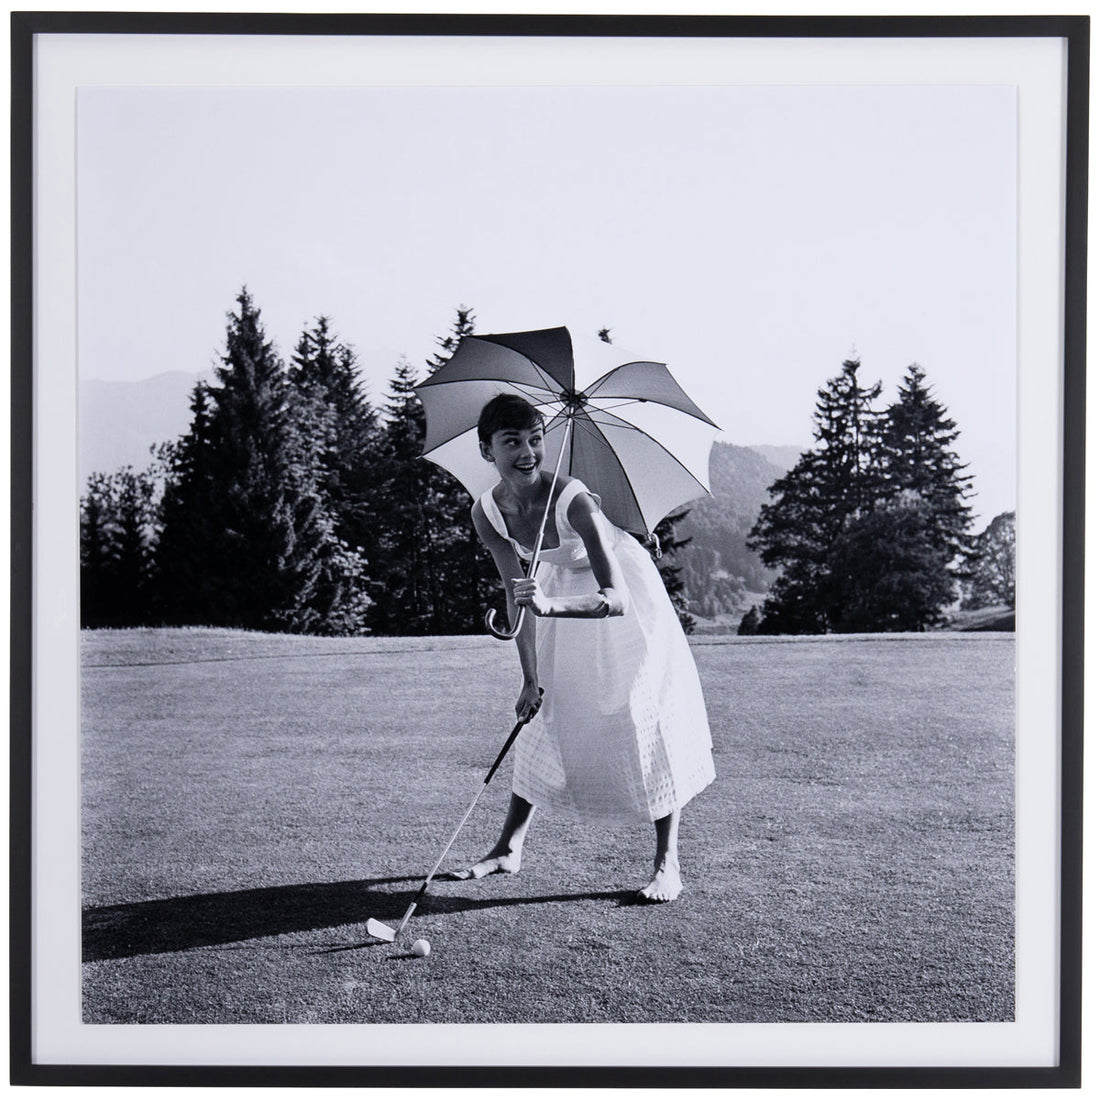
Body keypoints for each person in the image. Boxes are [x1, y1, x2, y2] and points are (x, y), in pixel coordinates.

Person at [450, 393, 715, 902]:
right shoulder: (487, 513)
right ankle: (509, 847)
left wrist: (550, 608)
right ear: (487, 451)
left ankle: (668, 862)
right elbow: (516, 593)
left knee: (643, 716)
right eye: (512, 443)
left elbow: (614, 598)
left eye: (535, 439)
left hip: (621, 600)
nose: (527, 452)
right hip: (552, 592)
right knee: (543, 716)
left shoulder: (574, 499)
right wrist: (528, 676)